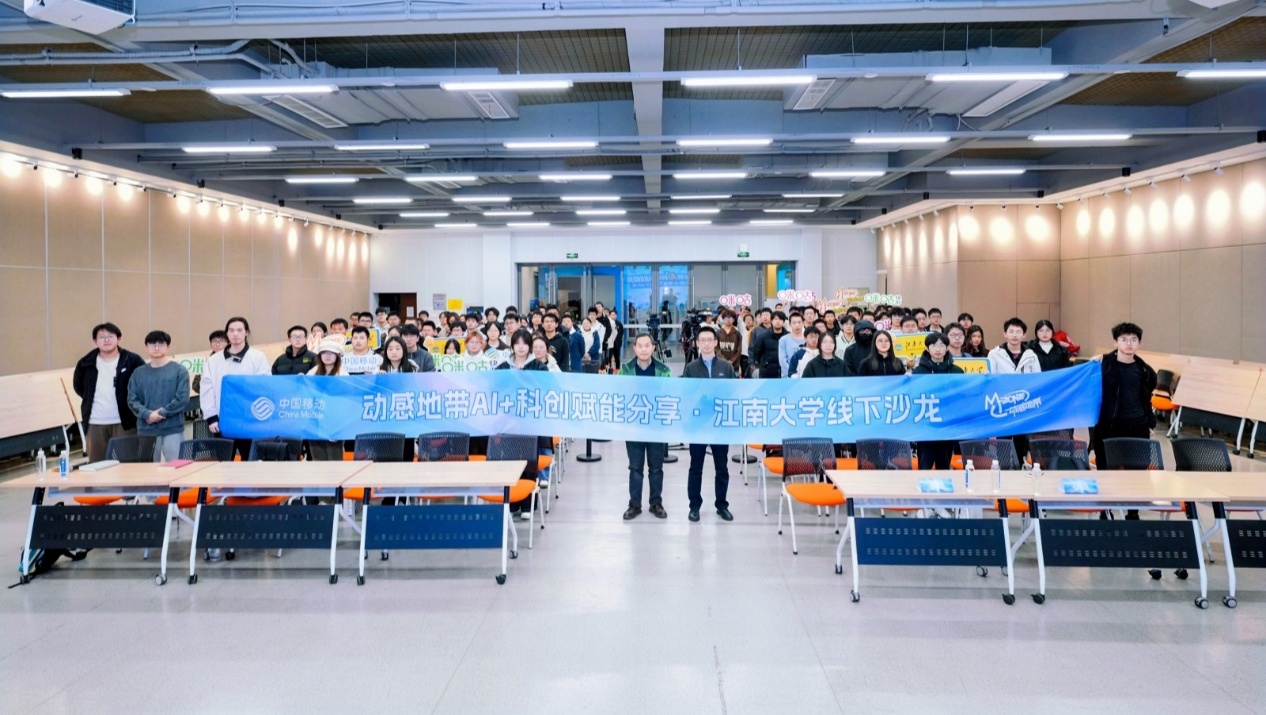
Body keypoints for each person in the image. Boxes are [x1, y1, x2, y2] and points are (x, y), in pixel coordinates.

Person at [681, 326, 737, 523]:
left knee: (722, 467)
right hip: (698, 426)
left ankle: (722, 505)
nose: (706, 343)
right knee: (696, 467)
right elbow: (686, 395)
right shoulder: (691, 368)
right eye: (702, 340)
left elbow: (733, 393)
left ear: (715, 342)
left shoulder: (726, 367)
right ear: (697, 343)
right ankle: (694, 506)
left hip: (719, 425)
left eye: (709, 340)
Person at [72, 322, 147, 463]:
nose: (106, 340)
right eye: (101, 337)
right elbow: (79, 387)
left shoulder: (132, 360)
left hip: (125, 421)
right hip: (95, 421)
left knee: (128, 464)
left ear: (119, 339)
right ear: (95, 341)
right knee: (97, 464)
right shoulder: (85, 363)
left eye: (110, 336)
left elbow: (144, 384)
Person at [1091, 323, 1157, 475]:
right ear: (1115, 342)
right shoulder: (1102, 366)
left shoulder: (1146, 371)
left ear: (1140, 343)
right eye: (1124, 339)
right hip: (1109, 427)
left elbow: (1146, 400)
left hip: (1137, 427)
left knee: (1137, 474)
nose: (1129, 344)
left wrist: (1150, 424)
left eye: (1133, 340)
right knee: (1107, 473)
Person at [619, 333, 672, 521]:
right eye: (640, 345)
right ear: (634, 348)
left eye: (647, 345)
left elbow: (669, 395)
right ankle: (634, 504)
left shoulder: (663, 370)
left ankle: (656, 503)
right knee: (635, 468)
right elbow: (618, 393)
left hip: (656, 427)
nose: (643, 349)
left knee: (656, 468)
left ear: (653, 348)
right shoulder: (625, 370)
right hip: (634, 425)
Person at [201, 316, 270, 459]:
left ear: (246, 332)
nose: (235, 334)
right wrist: (211, 417)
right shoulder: (214, 360)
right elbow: (207, 389)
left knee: (252, 462)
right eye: (231, 330)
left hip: (250, 420)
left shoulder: (258, 357)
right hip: (223, 421)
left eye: (239, 330)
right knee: (223, 463)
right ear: (227, 333)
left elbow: (264, 386)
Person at [126, 330, 190, 462]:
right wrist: (147, 414)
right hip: (146, 428)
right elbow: (132, 399)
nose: (156, 347)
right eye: (152, 344)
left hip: (172, 427)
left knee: (177, 466)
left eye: (161, 344)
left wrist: (161, 413)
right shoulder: (138, 373)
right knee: (148, 468)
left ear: (168, 346)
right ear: (146, 347)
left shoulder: (179, 371)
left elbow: (182, 398)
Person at [912, 333, 963, 470]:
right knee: (925, 465)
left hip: (948, 423)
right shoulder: (918, 372)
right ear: (927, 348)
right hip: (926, 424)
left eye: (942, 345)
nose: (938, 349)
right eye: (934, 345)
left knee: (944, 464)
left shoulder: (957, 371)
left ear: (947, 348)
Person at [307, 337, 348, 461]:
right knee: (318, 460)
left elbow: (345, 404)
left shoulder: (343, 375)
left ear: (337, 356)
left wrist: (338, 427)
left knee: (334, 460)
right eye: (324, 353)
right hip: (315, 422)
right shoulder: (312, 372)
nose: (327, 356)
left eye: (331, 353)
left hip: (335, 423)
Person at [778, 311, 806, 377]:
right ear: (790, 324)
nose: (797, 325)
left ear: (803, 323)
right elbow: (782, 361)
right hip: (788, 376)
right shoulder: (783, 340)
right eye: (794, 323)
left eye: (799, 322)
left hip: (805, 375)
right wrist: (793, 372)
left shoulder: (807, 339)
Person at [716, 309, 743, 376]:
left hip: (734, 366)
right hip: (720, 365)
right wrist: (724, 360)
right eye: (726, 318)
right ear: (723, 319)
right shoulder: (718, 333)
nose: (728, 320)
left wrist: (732, 360)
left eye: (730, 318)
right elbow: (716, 348)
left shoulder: (737, 333)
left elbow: (739, 350)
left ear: (733, 319)